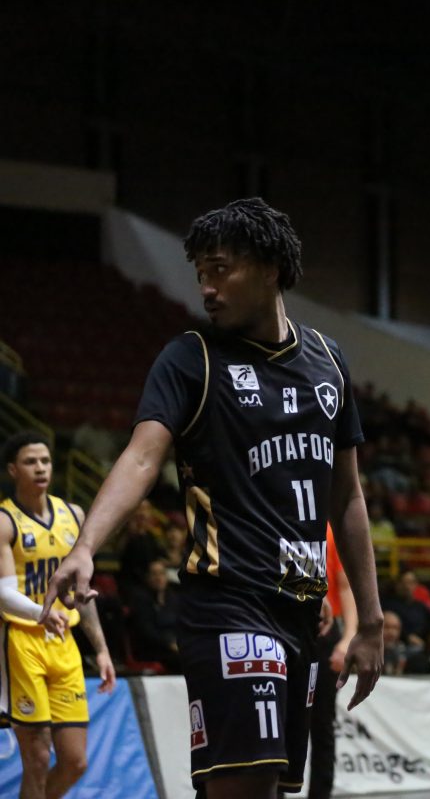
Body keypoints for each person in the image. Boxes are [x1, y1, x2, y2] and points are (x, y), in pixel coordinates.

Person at [41, 198, 385, 799]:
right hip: (227, 601)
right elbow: (141, 458)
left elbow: (348, 498)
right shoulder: (190, 358)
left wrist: (372, 621)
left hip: (303, 610)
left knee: (262, 787)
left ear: (270, 268)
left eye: (220, 270)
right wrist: (85, 545)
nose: (206, 287)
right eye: (201, 273)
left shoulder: (329, 362)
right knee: (246, 786)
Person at [1, 431, 116, 799]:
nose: (40, 468)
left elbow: (83, 591)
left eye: (45, 461)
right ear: (13, 470)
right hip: (21, 643)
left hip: (64, 642)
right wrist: (41, 612)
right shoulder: (5, 520)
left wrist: (101, 649)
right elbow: (3, 593)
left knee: (75, 761)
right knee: (36, 758)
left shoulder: (73, 515)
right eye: (30, 462)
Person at [308, 525, 359, 799]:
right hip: (289, 628)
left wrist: (348, 637)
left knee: (322, 722)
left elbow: (346, 586)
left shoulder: (331, 531)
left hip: (326, 633)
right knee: (283, 720)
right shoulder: (283, 519)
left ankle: (320, 794)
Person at [126, 558, 182, 672]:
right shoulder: (140, 599)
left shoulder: (173, 597)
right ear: (147, 577)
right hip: (152, 648)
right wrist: (170, 644)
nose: (158, 578)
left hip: (176, 645)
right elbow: (147, 631)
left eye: (161, 573)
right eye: (154, 574)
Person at [381, 611, 406, 676]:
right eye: (386, 627)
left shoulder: (402, 650)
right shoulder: (365, 651)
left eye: (395, 628)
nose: (391, 632)